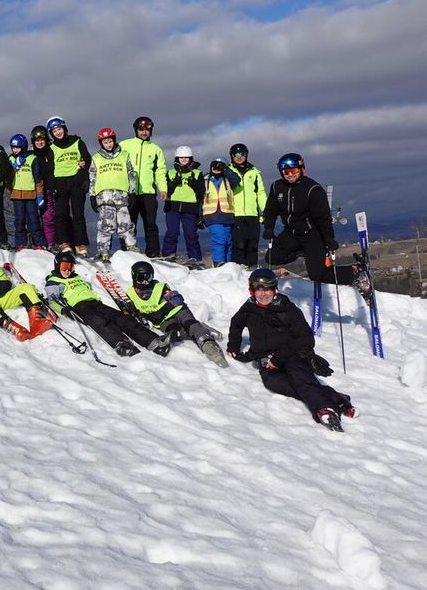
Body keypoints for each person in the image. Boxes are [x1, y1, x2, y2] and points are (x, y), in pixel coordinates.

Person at [226, 268, 357, 431]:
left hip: (293, 355)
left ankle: (325, 410)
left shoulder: (287, 309)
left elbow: (306, 339)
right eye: (258, 289)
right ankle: (333, 396)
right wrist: (233, 345)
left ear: (275, 289)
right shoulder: (249, 308)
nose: (263, 294)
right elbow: (236, 323)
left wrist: (278, 358)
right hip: (267, 361)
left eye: (267, 289)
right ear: (252, 291)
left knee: (299, 377)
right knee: (274, 383)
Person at [263, 153, 370, 291]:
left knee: (318, 275)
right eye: (286, 172)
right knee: (272, 257)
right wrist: (268, 228)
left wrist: (329, 240)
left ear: (302, 169)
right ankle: (301, 251)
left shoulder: (313, 189)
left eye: (294, 170)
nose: (290, 175)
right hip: (292, 232)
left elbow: (323, 218)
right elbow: (270, 210)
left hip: (312, 235)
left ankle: (355, 271)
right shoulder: (276, 187)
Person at [43, 251, 159, 357]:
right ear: (57, 266)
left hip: (95, 303)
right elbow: (52, 301)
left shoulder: (77, 277)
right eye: (64, 267)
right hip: (79, 307)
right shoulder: (54, 281)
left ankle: (152, 341)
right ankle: (121, 343)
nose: (68, 270)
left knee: (121, 318)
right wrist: (64, 310)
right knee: (99, 321)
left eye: (71, 267)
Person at [126, 261, 226, 362]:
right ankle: (203, 328)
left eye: (149, 277)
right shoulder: (130, 294)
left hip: (177, 311)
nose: (146, 281)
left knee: (190, 324)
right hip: (164, 322)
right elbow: (135, 313)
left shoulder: (159, 287)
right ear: (134, 277)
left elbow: (177, 299)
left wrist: (162, 311)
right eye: (141, 278)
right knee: (176, 333)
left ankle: (209, 345)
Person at [119, 116, 167, 257]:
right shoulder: (124, 145)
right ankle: (126, 253)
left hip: (148, 192)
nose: (144, 132)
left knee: (150, 224)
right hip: (129, 192)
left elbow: (160, 170)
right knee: (128, 224)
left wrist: (162, 188)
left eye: (147, 130)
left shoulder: (155, 149)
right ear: (136, 130)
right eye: (141, 129)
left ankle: (153, 253)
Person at [88, 127, 137, 263]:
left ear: (114, 140)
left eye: (110, 141)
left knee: (125, 223)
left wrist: (132, 192)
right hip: (105, 197)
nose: (108, 144)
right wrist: (92, 196)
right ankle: (103, 251)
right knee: (106, 224)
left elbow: (131, 174)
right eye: (105, 142)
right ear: (101, 144)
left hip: (122, 196)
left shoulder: (124, 155)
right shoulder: (96, 158)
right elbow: (92, 178)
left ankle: (131, 247)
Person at [45, 117, 91, 255]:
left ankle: (80, 244)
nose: (57, 133)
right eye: (54, 131)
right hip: (60, 182)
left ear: (64, 128)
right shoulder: (51, 148)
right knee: (61, 214)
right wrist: (51, 186)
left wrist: (85, 177)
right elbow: (50, 168)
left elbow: (87, 160)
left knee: (78, 214)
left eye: (59, 129)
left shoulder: (77, 142)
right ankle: (63, 243)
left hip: (76, 180)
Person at [162, 146, 204, 264]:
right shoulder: (170, 173)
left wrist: (193, 184)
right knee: (172, 232)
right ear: (177, 158)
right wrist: (174, 183)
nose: (184, 159)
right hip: (172, 207)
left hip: (190, 208)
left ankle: (195, 258)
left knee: (191, 234)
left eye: (186, 157)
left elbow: (201, 192)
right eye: (181, 157)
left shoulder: (197, 173)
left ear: (191, 158)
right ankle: (168, 255)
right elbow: (165, 191)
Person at [228, 143, 268, 268]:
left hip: (252, 214)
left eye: (242, 154)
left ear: (246, 155)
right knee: (238, 244)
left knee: (252, 244)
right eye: (236, 155)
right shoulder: (228, 171)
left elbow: (260, 193)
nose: (239, 157)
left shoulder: (254, 172)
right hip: (236, 214)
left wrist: (266, 211)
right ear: (232, 156)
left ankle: (252, 268)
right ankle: (238, 269)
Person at [7, 134, 47, 251]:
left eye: (17, 147)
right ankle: (20, 244)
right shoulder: (11, 159)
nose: (15, 150)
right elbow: (7, 179)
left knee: (33, 219)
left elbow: (38, 178)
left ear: (23, 146)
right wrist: (14, 167)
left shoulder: (32, 158)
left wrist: (40, 195)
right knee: (19, 220)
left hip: (30, 195)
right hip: (17, 195)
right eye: (13, 148)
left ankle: (38, 243)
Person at [202, 157, 242, 265]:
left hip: (227, 215)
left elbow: (237, 179)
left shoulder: (228, 180)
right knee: (219, 239)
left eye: (220, 166)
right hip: (212, 216)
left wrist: (225, 170)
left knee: (228, 242)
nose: (217, 168)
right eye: (215, 165)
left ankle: (228, 265)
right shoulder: (204, 179)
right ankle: (219, 263)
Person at [29, 125, 58, 250]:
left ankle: (55, 243)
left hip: (52, 188)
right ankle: (43, 243)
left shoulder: (51, 152)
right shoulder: (31, 156)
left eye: (42, 140)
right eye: (37, 141)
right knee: (39, 218)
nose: (40, 143)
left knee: (53, 217)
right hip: (36, 190)